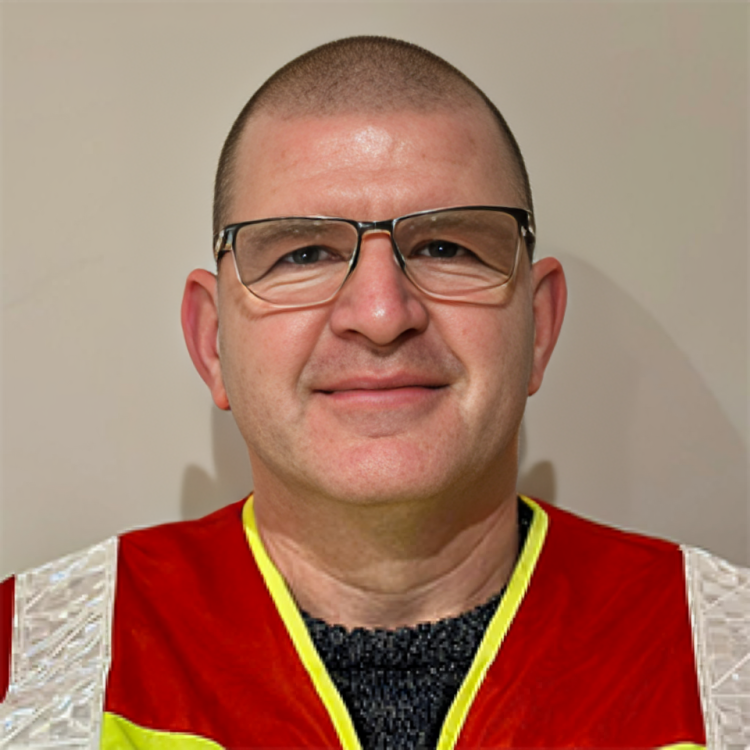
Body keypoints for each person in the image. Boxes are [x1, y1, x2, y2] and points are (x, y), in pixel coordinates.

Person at [0, 36, 747, 750]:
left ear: (539, 327)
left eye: (446, 246)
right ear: (213, 341)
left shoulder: (728, 660)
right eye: (304, 253)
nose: (383, 314)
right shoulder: (23, 662)